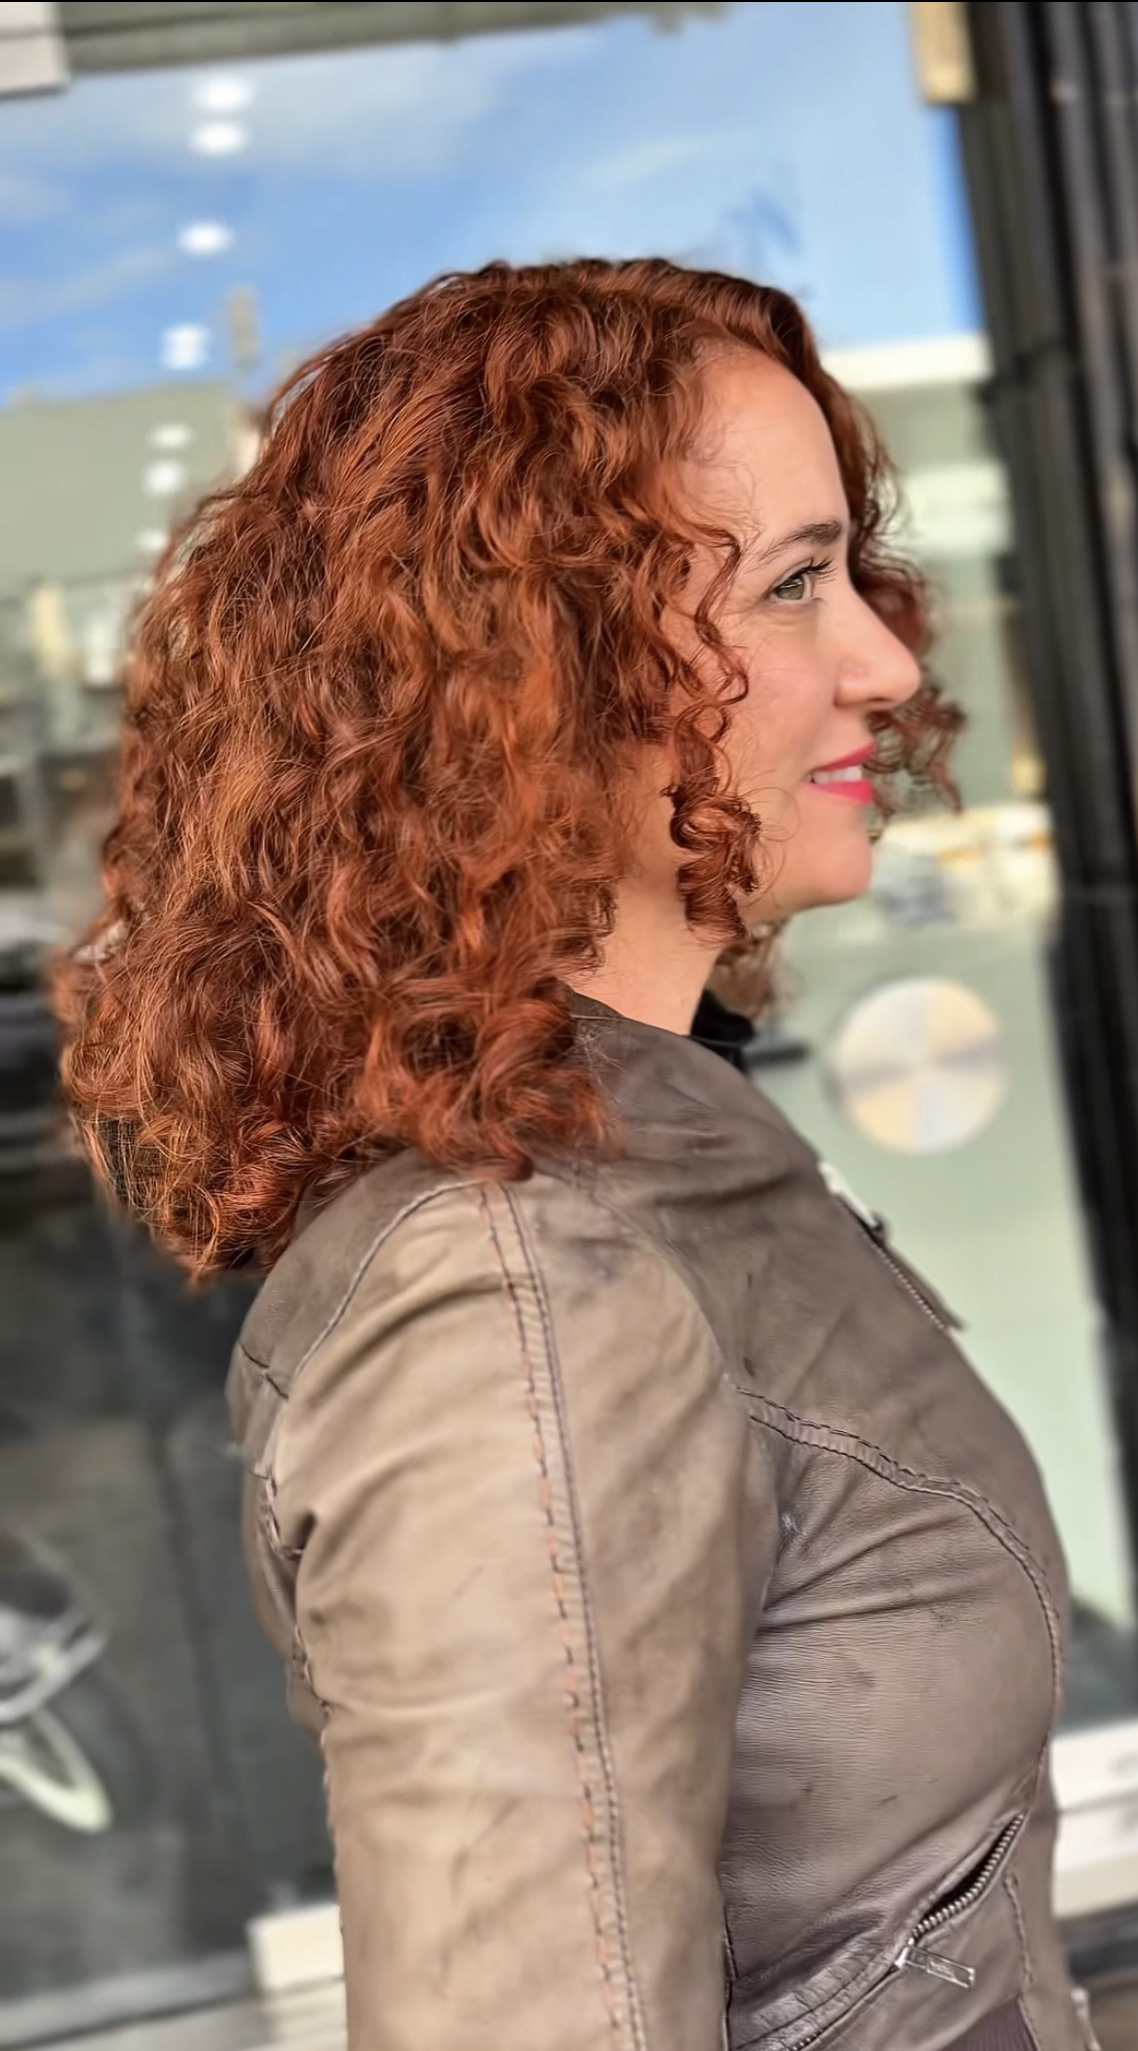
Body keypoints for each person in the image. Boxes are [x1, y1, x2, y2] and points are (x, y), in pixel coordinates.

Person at [56, 260, 1090, 2051]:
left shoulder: (648, 1142)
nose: (887, 658)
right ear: (525, 682)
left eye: (847, 565)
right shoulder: (519, 1294)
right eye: (787, 586)